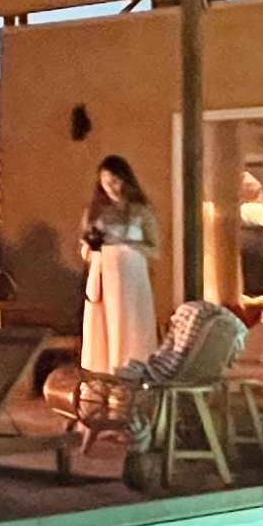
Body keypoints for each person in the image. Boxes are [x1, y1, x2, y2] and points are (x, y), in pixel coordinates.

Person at [79, 153, 159, 378]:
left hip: (131, 280)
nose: (110, 187)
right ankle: (104, 378)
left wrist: (127, 243)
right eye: (105, 182)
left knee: (130, 329)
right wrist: (92, 246)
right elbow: (85, 249)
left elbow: (155, 249)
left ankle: (132, 373)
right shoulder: (94, 212)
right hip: (103, 278)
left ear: (125, 179)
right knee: (103, 331)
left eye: (114, 181)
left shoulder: (141, 210)